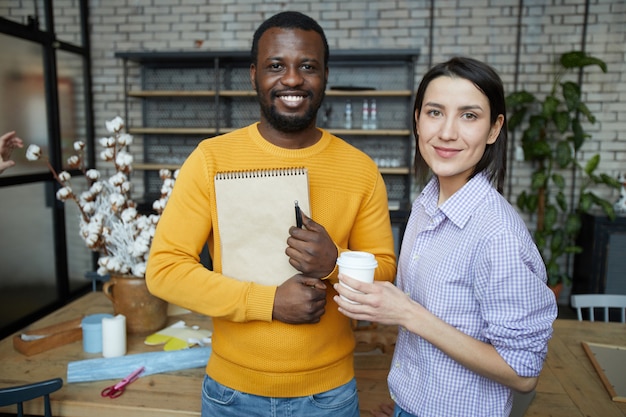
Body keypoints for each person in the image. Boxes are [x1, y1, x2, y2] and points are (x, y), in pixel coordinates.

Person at [146, 11, 397, 417]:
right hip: (232, 395)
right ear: (253, 75)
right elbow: (164, 270)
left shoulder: (360, 169)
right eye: (276, 66)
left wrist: (335, 265)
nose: (293, 79)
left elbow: (385, 270)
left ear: (325, 75)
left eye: (308, 66)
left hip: (328, 396)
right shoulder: (211, 160)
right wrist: (269, 302)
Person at [334, 57, 557, 417]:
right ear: (418, 120)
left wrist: (407, 313)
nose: (448, 132)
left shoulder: (497, 234)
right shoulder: (426, 204)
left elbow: (522, 373)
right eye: (435, 113)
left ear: (494, 128)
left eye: (469, 116)